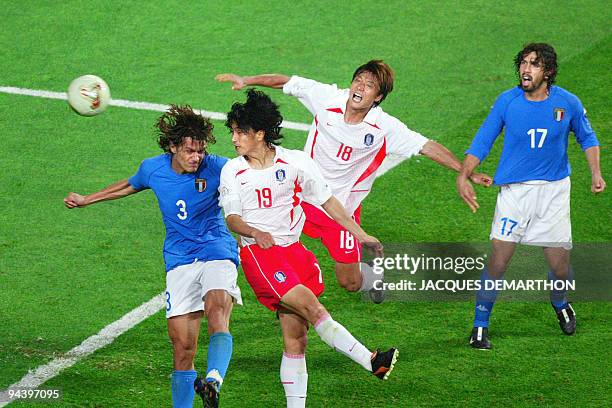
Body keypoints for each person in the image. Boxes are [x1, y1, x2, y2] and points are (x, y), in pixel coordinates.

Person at [216, 61, 491, 303]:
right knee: (269, 237)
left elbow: (426, 146)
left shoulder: (384, 127)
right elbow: (287, 82)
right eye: (358, 79)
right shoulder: (327, 99)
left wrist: (464, 170)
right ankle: (286, 300)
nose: (360, 87)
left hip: (340, 210)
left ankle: (373, 274)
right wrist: (247, 80)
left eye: (369, 85)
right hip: (300, 199)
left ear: (378, 96)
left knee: (350, 283)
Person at [219, 89, 398, 407]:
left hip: (294, 253)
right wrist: (254, 231)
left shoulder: (297, 162)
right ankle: (372, 361)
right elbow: (232, 218)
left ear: (260, 133)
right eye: (232, 131)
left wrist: (361, 234)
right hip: (260, 255)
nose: (234, 139)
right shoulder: (233, 171)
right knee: (316, 311)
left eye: (240, 132)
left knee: (296, 340)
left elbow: (330, 202)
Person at [64, 105, 242, 407]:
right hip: (179, 260)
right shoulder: (153, 169)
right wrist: (86, 200)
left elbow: (250, 173)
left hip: (217, 251)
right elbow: (127, 185)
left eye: (199, 151)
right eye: (189, 151)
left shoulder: (218, 167)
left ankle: (213, 380)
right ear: (172, 147)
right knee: (183, 348)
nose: (196, 157)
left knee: (216, 309)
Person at [456, 43, 606, 349]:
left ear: (548, 72)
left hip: (553, 195)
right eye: (523, 63)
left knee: (560, 267)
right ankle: (480, 326)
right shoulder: (507, 102)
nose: (526, 69)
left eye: (534, 64)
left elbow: (587, 137)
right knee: (498, 261)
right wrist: (464, 173)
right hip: (515, 194)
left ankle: (560, 302)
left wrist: (595, 172)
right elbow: (483, 139)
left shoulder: (569, 103)